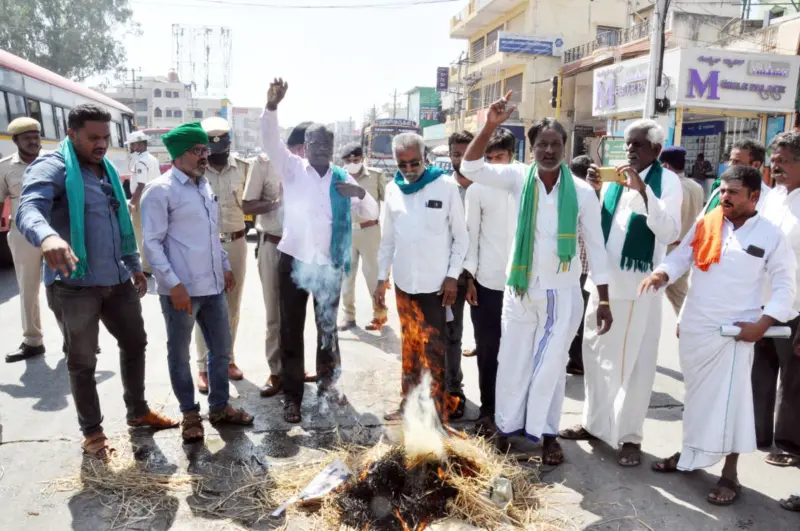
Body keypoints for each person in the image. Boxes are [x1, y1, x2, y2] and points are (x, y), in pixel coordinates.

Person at [15, 104, 177, 460]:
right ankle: (93, 433)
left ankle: (138, 412)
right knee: (82, 361)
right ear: (71, 134)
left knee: (135, 343)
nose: (101, 144)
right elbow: (28, 209)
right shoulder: (53, 167)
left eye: (106, 137)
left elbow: (117, 222)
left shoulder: (106, 169)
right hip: (74, 286)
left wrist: (133, 264)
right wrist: (48, 237)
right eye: (93, 138)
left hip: (117, 280)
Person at [460, 91, 612, 466]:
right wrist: (489, 125)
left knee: (549, 368)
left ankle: (547, 435)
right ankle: (506, 428)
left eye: (555, 143)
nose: (548, 150)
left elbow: (596, 247)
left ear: (565, 147)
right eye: (542, 144)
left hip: (561, 293)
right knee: (513, 362)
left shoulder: (581, 192)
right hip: (520, 290)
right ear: (531, 149)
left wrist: (604, 299)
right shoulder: (516, 178)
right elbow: (470, 167)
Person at [642, 165, 796, 505]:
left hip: (735, 333)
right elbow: (683, 257)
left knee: (732, 405)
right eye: (723, 190)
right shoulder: (708, 222)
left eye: (733, 192)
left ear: (754, 197)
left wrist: (762, 325)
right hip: (697, 326)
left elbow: (786, 286)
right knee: (697, 400)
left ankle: (730, 474)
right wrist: (661, 274)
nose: (724, 197)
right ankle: (690, 455)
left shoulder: (770, 234)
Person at [560, 119, 683, 468]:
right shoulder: (615, 177)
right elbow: (598, 226)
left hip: (638, 289)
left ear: (656, 150)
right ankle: (594, 423)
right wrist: (595, 192)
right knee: (594, 356)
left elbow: (670, 231)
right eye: (628, 143)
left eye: (638, 144)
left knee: (635, 366)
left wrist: (643, 191)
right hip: (602, 284)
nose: (630, 150)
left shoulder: (667, 182)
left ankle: (630, 437)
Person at [261, 78, 378, 424]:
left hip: (327, 266)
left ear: (333, 146)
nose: (322, 148)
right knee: (291, 332)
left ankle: (329, 387)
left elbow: (371, 212)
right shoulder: (292, 169)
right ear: (305, 146)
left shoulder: (343, 178)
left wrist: (359, 194)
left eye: (328, 143)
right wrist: (271, 107)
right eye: (315, 142)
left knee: (328, 330)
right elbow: (270, 140)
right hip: (294, 262)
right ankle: (293, 397)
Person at [141, 122, 254, 443]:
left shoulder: (203, 185)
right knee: (179, 354)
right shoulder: (160, 190)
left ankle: (219, 407)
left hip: (213, 286)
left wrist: (225, 266)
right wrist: (173, 284)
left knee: (221, 349)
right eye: (198, 150)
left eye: (205, 149)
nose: (205, 155)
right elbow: (152, 244)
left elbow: (211, 235)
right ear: (179, 154)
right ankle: (190, 414)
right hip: (182, 291)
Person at [375, 132, 468, 423]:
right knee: (410, 348)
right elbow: (387, 240)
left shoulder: (445, 186)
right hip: (405, 284)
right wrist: (381, 278)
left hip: (436, 287)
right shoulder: (393, 189)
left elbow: (461, 237)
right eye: (402, 164)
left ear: (425, 158)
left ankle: (435, 414)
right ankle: (408, 404)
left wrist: (452, 276)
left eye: (414, 162)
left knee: (435, 352)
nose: (409, 169)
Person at [244, 122, 317, 398]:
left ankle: (294, 369)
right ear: (298, 147)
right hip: (274, 245)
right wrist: (278, 202)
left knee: (296, 315)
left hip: (305, 249)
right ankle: (276, 371)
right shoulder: (265, 164)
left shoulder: (317, 168)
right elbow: (247, 205)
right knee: (275, 314)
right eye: (308, 148)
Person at [463, 127, 517, 429]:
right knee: (487, 349)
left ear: (512, 155)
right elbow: (470, 235)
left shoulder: (526, 183)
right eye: (490, 158)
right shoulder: (478, 189)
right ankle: (488, 409)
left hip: (522, 284)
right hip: (487, 283)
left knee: (518, 351)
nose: (495, 163)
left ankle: (515, 414)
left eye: (500, 157)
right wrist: (470, 279)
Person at [753, 131, 800, 463]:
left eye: (782, 161)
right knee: (760, 370)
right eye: (774, 161)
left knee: (794, 379)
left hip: (795, 308)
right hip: (763, 303)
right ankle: (756, 433)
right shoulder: (772, 197)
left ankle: (790, 446)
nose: (775, 167)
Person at [192, 117, 249, 392]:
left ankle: (227, 359)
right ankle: (203, 366)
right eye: (210, 149)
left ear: (229, 143)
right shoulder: (195, 170)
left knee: (232, 305)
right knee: (204, 305)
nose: (215, 154)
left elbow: (251, 203)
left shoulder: (244, 168)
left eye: (221, 147)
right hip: (204, 244)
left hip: (236, 242)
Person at [1, 118, 47, 362]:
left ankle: (76, 338)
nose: (33, 141)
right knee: (28, 289)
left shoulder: (56, 161)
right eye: (26, 137)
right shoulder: (4, 167)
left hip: (57, 232)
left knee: (66, 288)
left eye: (35, 136)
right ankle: (33, 341)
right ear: (15, 140)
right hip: (22, 234)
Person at [337, 142, 388, 332]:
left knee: (373, 276)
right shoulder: (338, 177)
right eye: (348, 160)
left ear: (363, 158)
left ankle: (379, 314)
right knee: (346, 277)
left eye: (356, 159)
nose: (352, 163)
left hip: (370, 231)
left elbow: (389, 201)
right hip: (346, 232)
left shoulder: (376, 176)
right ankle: (349, 317)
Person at [443, 130, 475, 418]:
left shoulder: (489, 188)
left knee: (492, 340)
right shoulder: (442, 188)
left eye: (467, 153)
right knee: (451, 335)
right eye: (456, 154)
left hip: (485, 278)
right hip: (452, 277)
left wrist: (473, 277)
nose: (461, 159)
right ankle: (453, 390)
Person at [658, 146, 704, 314]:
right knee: (680, 299)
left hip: (667, 249)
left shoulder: (668, 187)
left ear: (665, 166)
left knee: (650, 296)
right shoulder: (696, 187)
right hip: (686, 249)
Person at [565, 154, 594, 376]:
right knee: (579, 316)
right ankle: (577, 360)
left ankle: (576, 360)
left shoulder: (571, 194)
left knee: (573, 315)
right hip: (584, 268)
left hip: (573, 268)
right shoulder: (590, 195)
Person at [125, 130, 161, 277]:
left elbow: (140, 185)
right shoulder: (152, 159)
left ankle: (146, 267)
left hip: (142, 199)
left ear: (140, 144)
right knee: (152, 233)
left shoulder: (141, 161)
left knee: (141, 234)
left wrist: (132, 204)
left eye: (133, 144)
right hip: (154, 198)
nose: (131, 147)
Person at [702, 139, 770, 215]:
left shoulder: (768, 198)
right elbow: (702, 219)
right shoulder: (719, 190)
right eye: (730, 160)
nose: (730, 165)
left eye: (736, 161)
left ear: (755, 165)